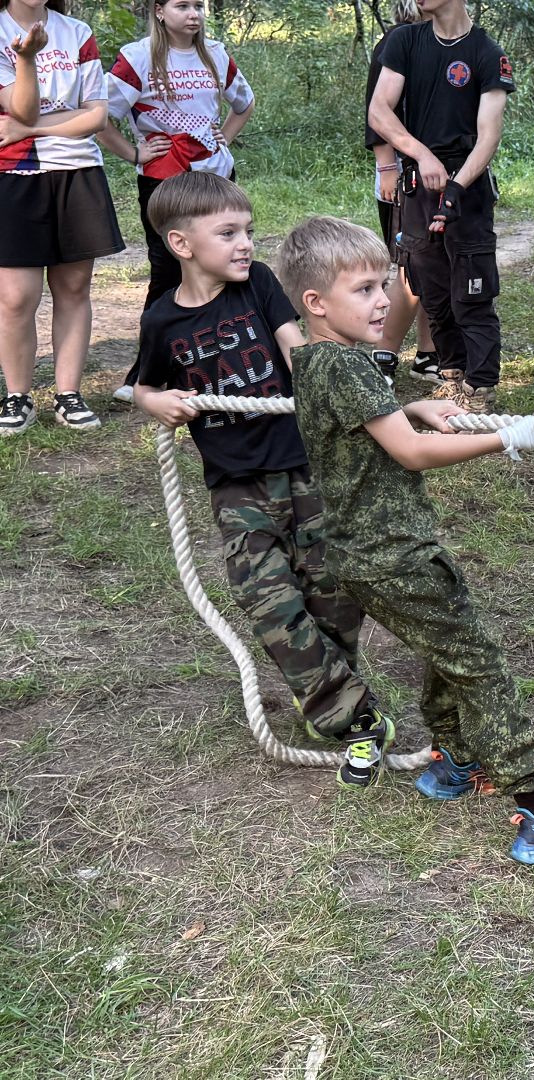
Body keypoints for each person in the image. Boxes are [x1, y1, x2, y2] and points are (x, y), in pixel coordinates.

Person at [276, 215, 534, 865]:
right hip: (395, 555)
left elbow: (357, 430)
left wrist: (406, 407)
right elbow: (407, 454)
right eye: (363, 290)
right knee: (478, 663)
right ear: (316, 303)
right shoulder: (347, 368)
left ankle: (454, 760)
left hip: (363, 555)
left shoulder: (318, 360)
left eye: (383, 284)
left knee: (446, 649)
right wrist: (507, 437)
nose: (383, 300)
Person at [132, 173, 390, 788]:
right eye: (228, 233)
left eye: (248, 229)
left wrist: (360, 395)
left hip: (305, 464)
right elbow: (142, 384)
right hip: (236, 483)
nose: (246, 243)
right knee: (263, 592)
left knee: (331, 590)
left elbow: (297, 350)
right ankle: (355, 717)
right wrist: (156, 403)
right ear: (181, 244)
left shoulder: (263, 288)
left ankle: (332, 692)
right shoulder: (162, 321)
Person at [100, 0, 255, 403]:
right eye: (182, 5)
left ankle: (227, 360)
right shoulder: (137, 58)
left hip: (216, 177)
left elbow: (244, 103)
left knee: (226, 266)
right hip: (164, 181)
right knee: (169, 271)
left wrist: (226, 134)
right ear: (159, 11)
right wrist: (133, 153)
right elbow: (99, 114)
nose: (194, 14)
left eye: (199, 5)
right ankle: (147, 373)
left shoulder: (216, 54)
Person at [367, 0, 514, 412]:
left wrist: (457, 185)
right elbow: (379, 112)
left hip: (468, 185)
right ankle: (451, 378)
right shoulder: (405, 41)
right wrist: (422, 155)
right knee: (431, 289)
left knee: (472, 289)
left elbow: (488, 137)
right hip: (418, 183)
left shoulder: (487, 53)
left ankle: (479, 388)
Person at [0, 0, 123, 436]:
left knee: (74, 286)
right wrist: (26, 58)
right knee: (16, 296)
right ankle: (18, 395)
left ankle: (68, 394)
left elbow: (95, 115)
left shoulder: (76, 30)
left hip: (78, 172)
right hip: (15, 173)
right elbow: (22, 107)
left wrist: (33, 129)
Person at [364, 0, 436, 384]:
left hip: (439, 172)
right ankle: (384, 354)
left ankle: (428, 354)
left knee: (435, 263)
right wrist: (386, 166)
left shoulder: (446, 40)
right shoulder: (396, 40)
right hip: (401, 173)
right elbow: (376, 112)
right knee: (411, 263)